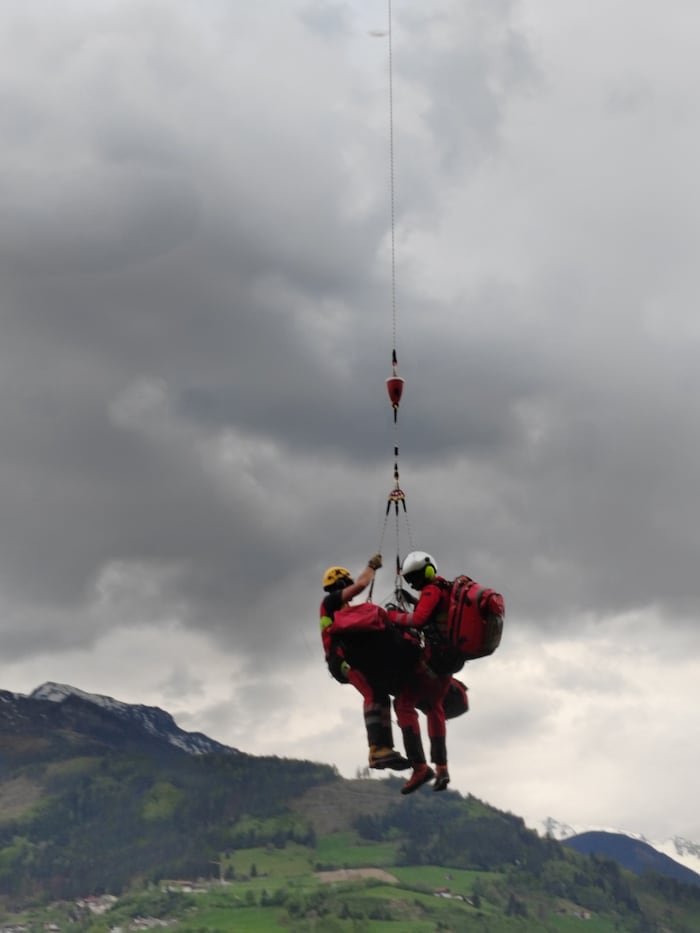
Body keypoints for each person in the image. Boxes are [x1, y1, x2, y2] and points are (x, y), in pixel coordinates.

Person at [320, 555, 412, 771]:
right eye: (346, 584)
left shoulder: (341, 610)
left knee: (381, 695)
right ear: (341, 584)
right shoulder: (330, 602)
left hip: (347, 657)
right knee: (372, 692)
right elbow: (361, 584)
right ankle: (375, 750)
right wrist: (372, 567)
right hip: (340, 659)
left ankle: (385, 748)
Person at [385, 550, 454, 794]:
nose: (414, 583)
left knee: (403, 703)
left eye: (414, 578)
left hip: (432, 662)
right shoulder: (445, 589)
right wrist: (413, 600)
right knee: (435, 708)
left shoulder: (431, 590)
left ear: (426, 572)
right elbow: (433, 613)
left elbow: (420, 620)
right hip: (448, 664)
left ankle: (419, 766)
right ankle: (442, 767)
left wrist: (393, 616)